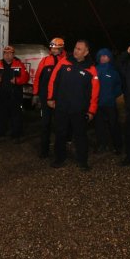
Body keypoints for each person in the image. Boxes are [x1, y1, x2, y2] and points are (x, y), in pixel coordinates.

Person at [47, 40, 100, 170]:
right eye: (76, 48)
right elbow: (53, 80)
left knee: (80, 136)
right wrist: (50, 97)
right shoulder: (64, 62)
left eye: (80, 49)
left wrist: (91, 111)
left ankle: (82, 161)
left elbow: (95, 92)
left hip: (79, 109)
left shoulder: (91, 69)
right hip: (62, 107)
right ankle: (59, 158)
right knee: (60, 134)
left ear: (86, 52)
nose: (76, 51)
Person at [0, 45, 30, 141]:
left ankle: (16, 135)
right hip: (2, 96)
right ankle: (1, 135)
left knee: (16, 116)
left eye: (10, 53)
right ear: (3, 54)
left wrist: (17, 80)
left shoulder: (19, 64)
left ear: (13, 54)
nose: (7, 55)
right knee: (1, 115)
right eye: (6, 53)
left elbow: (26, 77)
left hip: (15, 96)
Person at [33, 38, 67, 158]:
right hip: (45, 97)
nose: (53, 49)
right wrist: (35, 94)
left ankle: (60, 151)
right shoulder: (45, 60)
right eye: (51, 47)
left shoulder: (66, 61)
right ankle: (44, 150)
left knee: (60, 124)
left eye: (55, 47)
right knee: (45, 124)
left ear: (61, 48)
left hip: (60, 98)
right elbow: (37, 77)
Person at [94, 48, 123, 155]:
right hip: (97, 104)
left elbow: (118, 86)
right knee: (99, 126)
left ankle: (118, 146)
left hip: (110, 104)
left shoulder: (113, 71)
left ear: (109, 57)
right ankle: (102, 144)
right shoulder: (94, 69)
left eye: (105, 56)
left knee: (114, 125)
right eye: (101, 56)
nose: (102, 58)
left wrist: (112, 96)